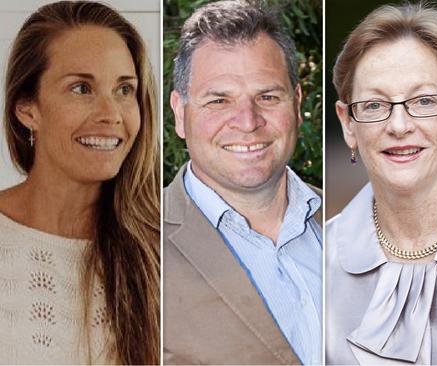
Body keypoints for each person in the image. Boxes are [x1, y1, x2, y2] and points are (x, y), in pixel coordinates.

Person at [0, 1, 160, 364]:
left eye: (124, 90)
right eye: (81, 89)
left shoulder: (161, 251)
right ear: (27, 109)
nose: (110, 115)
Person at [163, 1, 322, 364]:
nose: (247, 122)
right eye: (219, 100)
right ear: (179, 113)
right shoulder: (133, 239)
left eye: (267, 97)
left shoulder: (360, 223)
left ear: (296, 105)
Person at [327, 3, 437, 364]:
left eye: (423, 100)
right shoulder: (320, 262)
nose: (398, 126)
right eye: (374, 105)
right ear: (348, 123)